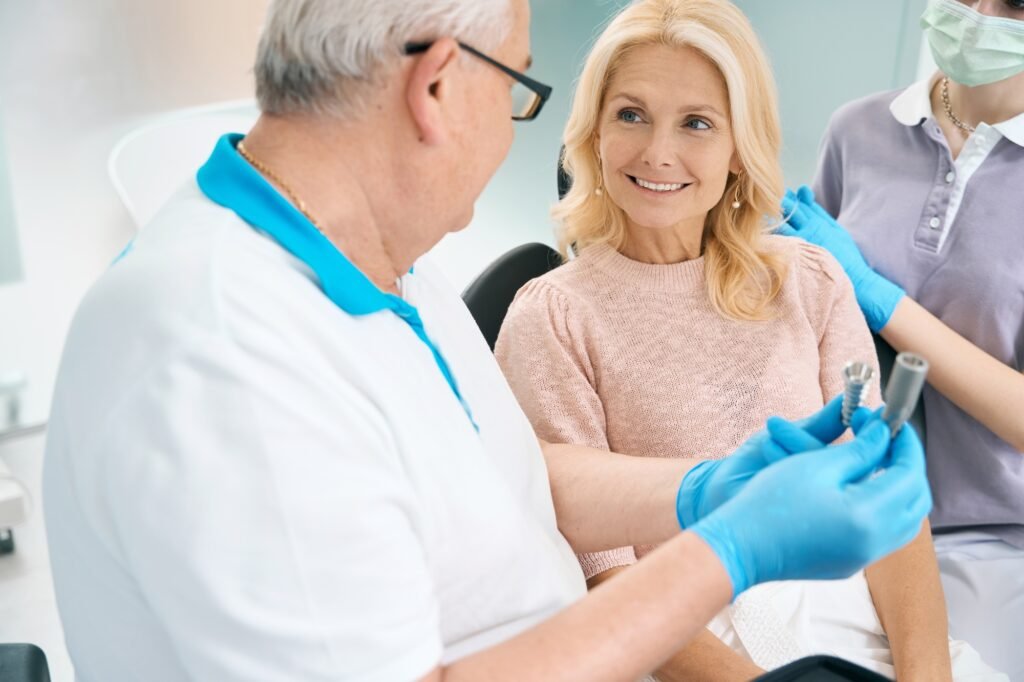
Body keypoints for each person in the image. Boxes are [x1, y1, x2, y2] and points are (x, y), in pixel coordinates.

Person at [42, 0, 931, 680]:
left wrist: (702, 491)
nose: (516, 128)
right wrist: (727, 553)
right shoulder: (223, 355)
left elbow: (500, 476)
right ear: (436, 86)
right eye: (515, 89)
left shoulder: (388, 266)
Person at [495, 0, 1003, 679]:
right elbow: (603, 581)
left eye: (697, 123)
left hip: (853, 625)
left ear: (739, 147)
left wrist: (926, 673)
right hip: (685, 643)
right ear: (590, 133)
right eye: (630, 114)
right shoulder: (552, 316)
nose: (658, 152)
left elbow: (887, 507)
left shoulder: (811, 279)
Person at [779, 0, 1024, 677]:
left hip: (988, 536)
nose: (978, 15)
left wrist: (886, 303)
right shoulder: (857, 129)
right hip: (842, 500)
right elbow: (811, 318)